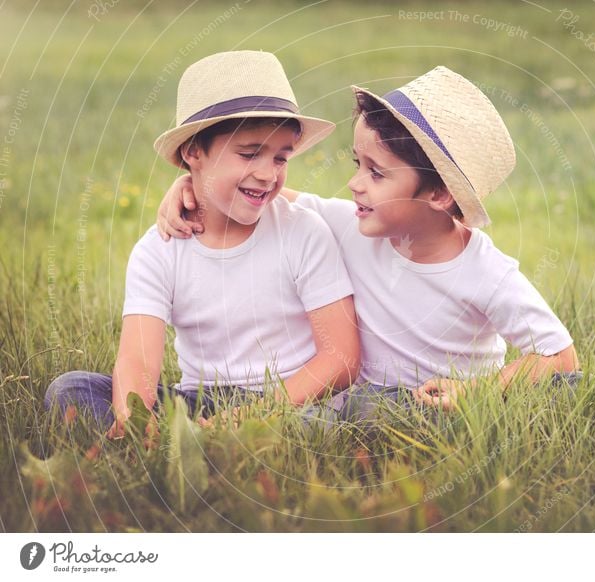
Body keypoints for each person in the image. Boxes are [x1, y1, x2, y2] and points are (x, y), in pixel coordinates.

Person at [158, 65, 579, 422]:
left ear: (438, 195)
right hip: (355, 405)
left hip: (431, 410)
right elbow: (259, 193)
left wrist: (477, 391)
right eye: (358, 164)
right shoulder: (351, 225)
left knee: (563, 389)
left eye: (376, 173)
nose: (354, 184)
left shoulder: (486, 271)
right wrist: (192, 184)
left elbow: (559, 356)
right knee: (346, 409)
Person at [45, 51, 360, 437]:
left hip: (290, 400)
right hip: (200, 399)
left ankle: (209, 444)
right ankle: (175, 442)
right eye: (249, 154)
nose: (268, 174)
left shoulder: (304, 231)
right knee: (72, 390)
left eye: (281, 158)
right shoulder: (159, 249)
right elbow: (138, 362)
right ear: (194, 152)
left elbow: (341, 358)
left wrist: (248, 419)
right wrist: (136, 418)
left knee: (310, 427)